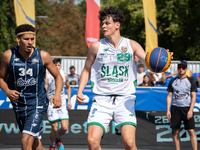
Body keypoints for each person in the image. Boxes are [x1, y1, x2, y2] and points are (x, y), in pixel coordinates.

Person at [76, 6, 173, 150]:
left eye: (107, 23)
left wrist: (164, 59)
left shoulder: (131, 45)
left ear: (117, 24)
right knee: (92, 142)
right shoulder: (96, 47)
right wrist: (79, 90)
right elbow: (86, 70)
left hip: (124, 100)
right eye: (102, 23)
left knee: (129, 143)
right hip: (102, 100)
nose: (103, 26)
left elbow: (149, 62)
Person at [0, 24, 62, 150]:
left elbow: (58, 76)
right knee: (35, 146)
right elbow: (1, 78)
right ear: (18, 39)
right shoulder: (8, 55)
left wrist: (57, 94)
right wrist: (7, 90)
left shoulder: (43, 56)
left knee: (25, 140)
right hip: (19, 104)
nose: (30, 42)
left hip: (37, 103)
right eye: (26, 39)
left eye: (32, 39)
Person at [166, 60, 198, 150]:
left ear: (186, 69)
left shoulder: (191, 81)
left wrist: (191, 110)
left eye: (183, 67)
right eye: (179, 67)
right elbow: (169, 96)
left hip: (187, 108)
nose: (181, 69)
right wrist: (168, 110)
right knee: (176, 131)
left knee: (191, 131)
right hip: (175, 108)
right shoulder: (172, 81)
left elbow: (193, 96)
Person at [45, 58, 72, 150]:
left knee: (64, 127)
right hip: (52, 104)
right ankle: (52, 145)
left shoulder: (64, 76)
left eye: (58, 65)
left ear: (61, 66)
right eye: (55, 65)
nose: (57, 67)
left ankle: (58, 139)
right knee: (55, 128)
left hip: (62, 103)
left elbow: (68, 87)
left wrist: (69, 100)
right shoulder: (48, 77)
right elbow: (44, 91)